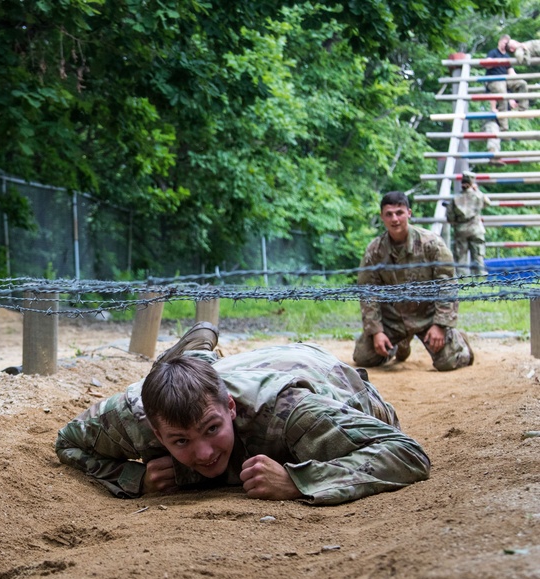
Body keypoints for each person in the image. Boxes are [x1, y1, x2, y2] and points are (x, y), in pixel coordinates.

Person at [54, 323, 431, 505]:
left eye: (212, 428)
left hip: (315, 370)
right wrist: (134, 477)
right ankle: (196, 356)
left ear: (230, 409)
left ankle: (197, 357)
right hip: (237, 370)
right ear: (154, 429)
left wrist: (299, 480)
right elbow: (67, 442)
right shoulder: (131, 417)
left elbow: (405, 452)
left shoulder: (290, 412)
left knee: (384, 417)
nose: (203, 454)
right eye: (180, 441)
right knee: (187, 382)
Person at [352, 192, 474, 372]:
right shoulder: (375, 251)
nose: (395, 219)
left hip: (427, 315)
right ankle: (399, 344)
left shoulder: (431, 244)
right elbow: (368, 293)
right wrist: (376, 331)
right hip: (393, 318)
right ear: (382, 217)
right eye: (389, 214)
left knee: (448, 362)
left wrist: (440, 325)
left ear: (409, 213)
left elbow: (447, 285)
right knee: (363, 357)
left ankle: (459, 342)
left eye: (399, 212)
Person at [446, 172, 490, 276]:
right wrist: (477, 190)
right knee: (478, 255)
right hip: (476, 229)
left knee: (461, 257)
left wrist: (456, 223)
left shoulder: (455, 199)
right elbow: (488, 202)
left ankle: (463, 280)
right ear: (472, 183)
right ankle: (480, 278)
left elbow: (450, 217)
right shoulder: (478, 196)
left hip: (461, 229)